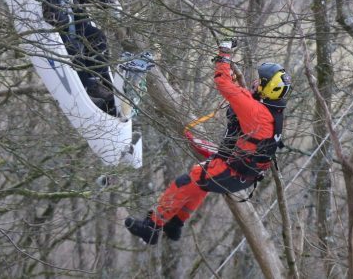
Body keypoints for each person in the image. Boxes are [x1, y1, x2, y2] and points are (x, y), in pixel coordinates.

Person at [124, 42, 290, 245]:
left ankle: (152, 226)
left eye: (260, 81)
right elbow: (245, 97)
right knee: (200, 183)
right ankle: (175, 222)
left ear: (267, 89)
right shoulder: (272, 110)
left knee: (187, 180)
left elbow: (223, 83)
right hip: (244, 173)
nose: (255, 82)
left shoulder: (257, 113)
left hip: (234, 171)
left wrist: (224, 54)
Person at [40, 0, 119, 116]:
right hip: (61, 28)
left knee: (96, 37)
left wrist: (110, 3)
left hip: (78, 24)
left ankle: (100, 78)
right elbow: (52, 10)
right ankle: (88, 86)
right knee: (73, 48)